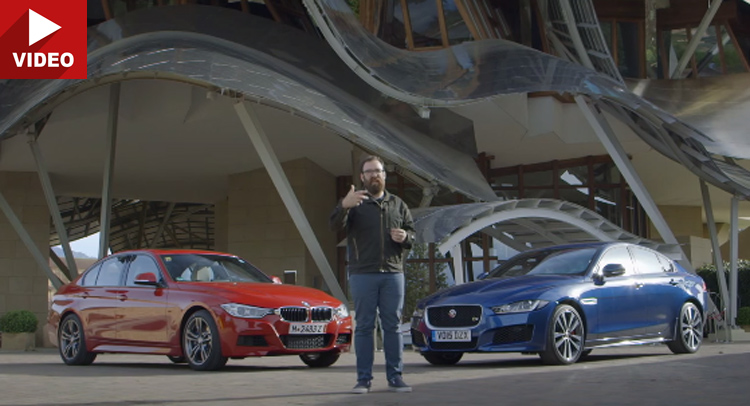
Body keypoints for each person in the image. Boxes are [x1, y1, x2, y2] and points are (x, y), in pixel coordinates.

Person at [330, 155, 415, 394]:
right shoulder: (354, 203)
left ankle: (395, 377)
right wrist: (343, 206)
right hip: (362, 274)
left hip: (392, 273)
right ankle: (363, 380)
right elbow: (334, 226)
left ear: (384, 175)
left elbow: (412, 233)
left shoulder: (398, 204)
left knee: (392, 326)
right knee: (365, 326)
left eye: (378, 171)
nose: (374, 175)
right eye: (369, 172)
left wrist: (406, 237)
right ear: (362, 177)